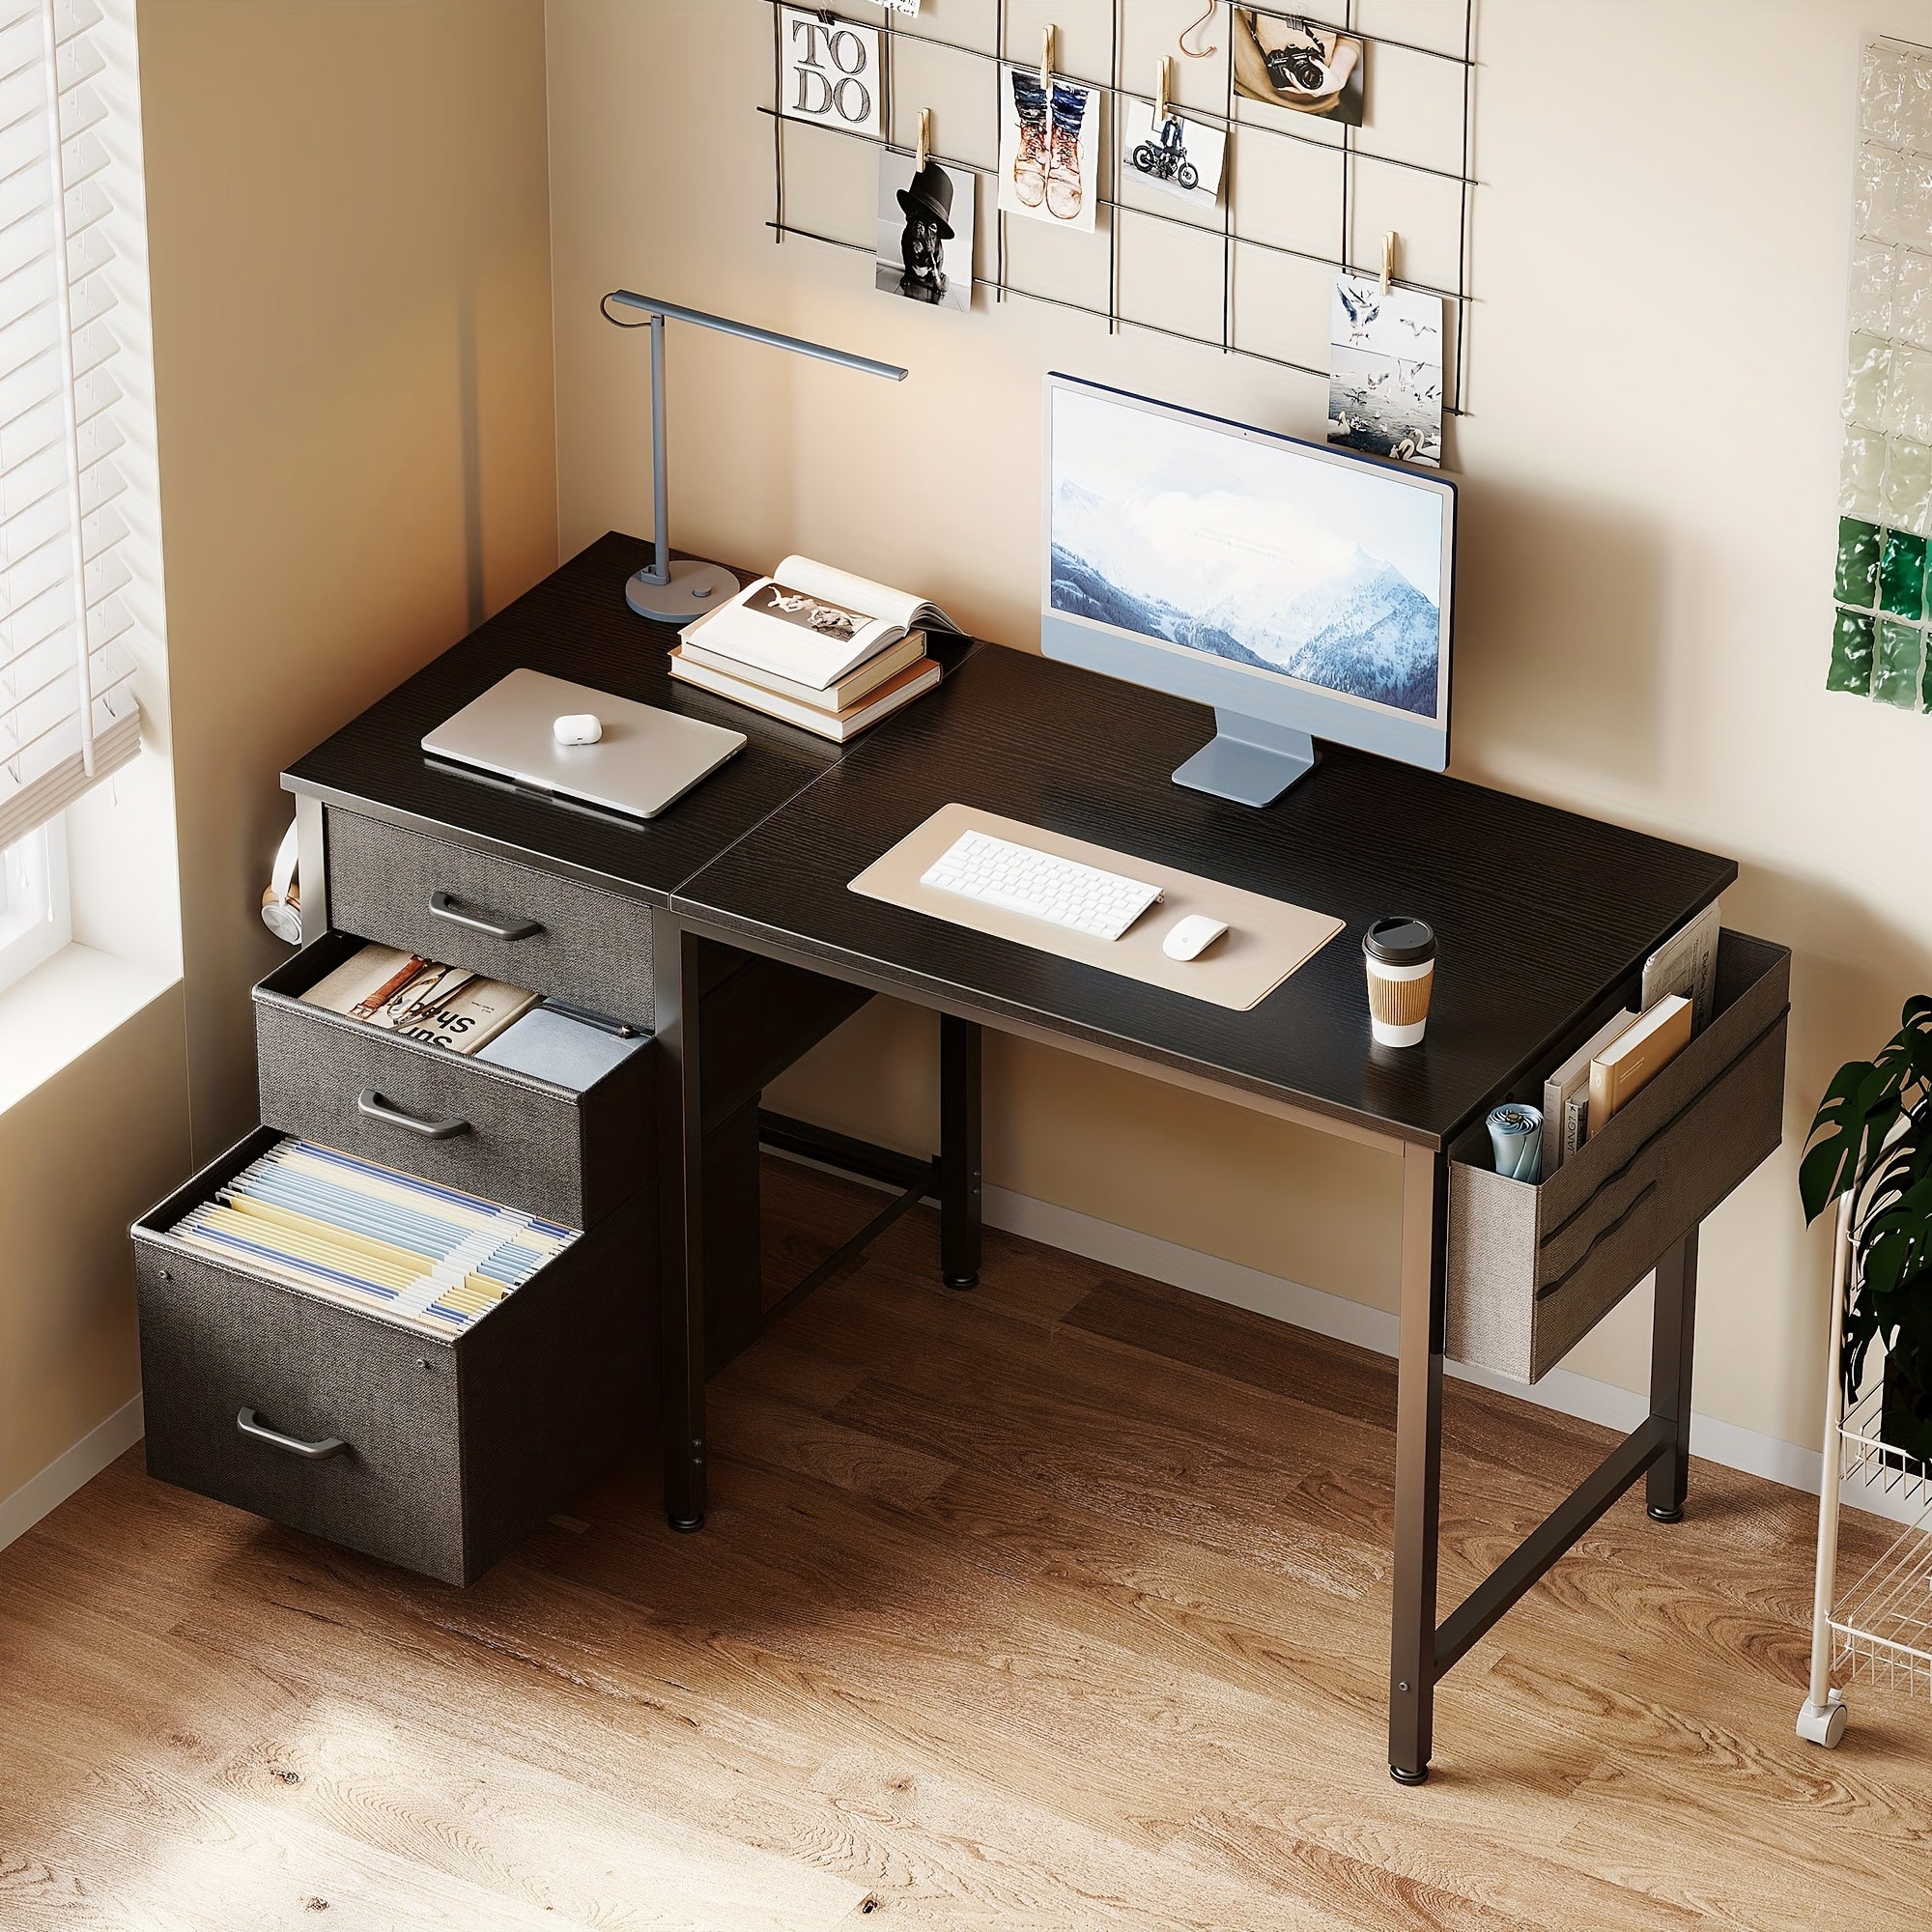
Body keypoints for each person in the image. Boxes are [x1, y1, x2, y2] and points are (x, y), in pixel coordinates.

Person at [895, 158, 954, 303]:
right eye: (917, 219)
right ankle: (910, 274)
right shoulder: (908, 235)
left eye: (932, 227)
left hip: (930, 270)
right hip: (913, 266)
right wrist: (909, 272)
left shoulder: (937, 246)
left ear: (938, 233)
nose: (921, 229)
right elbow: (905, 251)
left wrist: (936, 275)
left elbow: (939, 258)